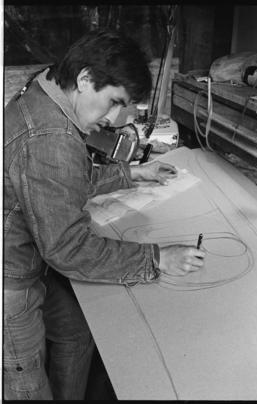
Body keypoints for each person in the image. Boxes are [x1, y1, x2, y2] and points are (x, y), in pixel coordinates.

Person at [4, 29, 205, 400]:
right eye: (113, 101)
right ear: (84, 79)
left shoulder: (44, 88)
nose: (114, 119)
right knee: (27, 387)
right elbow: (69, 249)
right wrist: (157, 258)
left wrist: (131, 173)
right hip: (11, 281)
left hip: (28, 258)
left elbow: (61, 182)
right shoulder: (50, 136)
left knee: (76, 331)